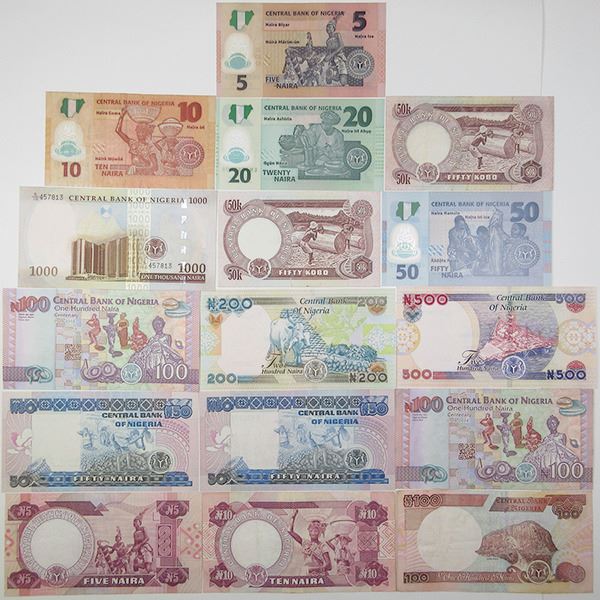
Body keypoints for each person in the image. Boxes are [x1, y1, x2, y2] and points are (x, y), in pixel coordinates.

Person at [115, 107, 159, 176]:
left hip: (145, 175)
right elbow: (118, 130)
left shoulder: (150, 147)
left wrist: (142, 164)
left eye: (142, 132)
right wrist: (121, 116)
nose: (140, 134)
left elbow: (155, 167)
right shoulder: (133, 143)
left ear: (146, 133)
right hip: (134, 174)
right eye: (138, 131)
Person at [289, 510, 332, 577]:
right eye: (311, 530)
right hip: (307, 574)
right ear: (309, 531)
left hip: (319, 575)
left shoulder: (322, 546)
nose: (313, 533)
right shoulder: (305, 543)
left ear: (319, 532)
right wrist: (293, 517)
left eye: (316, 531)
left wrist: (312, 570)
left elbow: (329, 566)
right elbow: (290, 531)